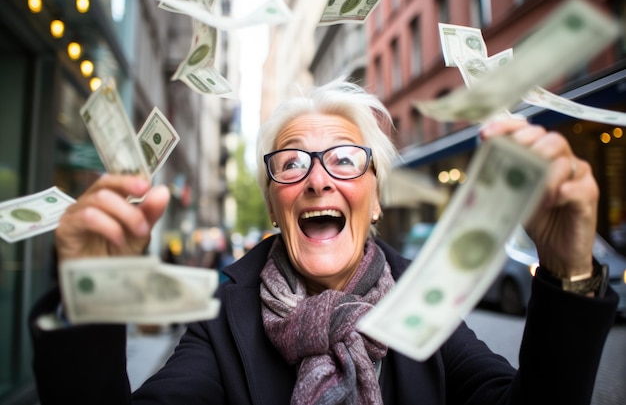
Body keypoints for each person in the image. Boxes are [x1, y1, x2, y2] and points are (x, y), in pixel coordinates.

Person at [29, 79, 618, 405]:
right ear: (274, 205)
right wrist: (90, 302)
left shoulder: (424, 300)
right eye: (291, 163)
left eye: (343, 160)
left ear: (375, 197)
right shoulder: (218, 318)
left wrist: (569, 275)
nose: (317, 178)